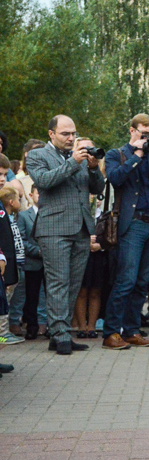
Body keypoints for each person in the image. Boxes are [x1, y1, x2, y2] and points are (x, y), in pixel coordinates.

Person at [24, 115, 105, 355]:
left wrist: (92, 169)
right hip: (53, 229)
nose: (71, 138)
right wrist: (74, 162)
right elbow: (44, 181)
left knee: (73, 283)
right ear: (51, 134)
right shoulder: (38, 155)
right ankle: (59, 335)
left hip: (80, 228)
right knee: (58, 282)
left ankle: (62, 332)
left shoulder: (78, 156)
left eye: (73, 133)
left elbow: (98, 188)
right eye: (65, 134)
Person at [101, 114, 149, 351]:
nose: (148, 139)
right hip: (131, 224)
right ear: (132, 131)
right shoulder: (118, 154)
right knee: (125, 280)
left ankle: (132, 330)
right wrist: (136, 155)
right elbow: (115, 178)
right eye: (144, 134)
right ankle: (111, 333)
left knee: (142, 282)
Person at [15, 184, 43, 340]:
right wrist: (37, 251)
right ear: (31, 195)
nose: (41, 196)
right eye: (38, 193)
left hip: (51, 262)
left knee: (51, 295)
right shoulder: (24, 216)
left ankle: (49, 326)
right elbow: (21, 240)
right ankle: (31, 326)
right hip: (33, 262)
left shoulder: (52, 215)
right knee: (31, 296)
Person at [0, 186, 25, 345]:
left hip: (13, 262)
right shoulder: (3, 216)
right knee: (4, 300)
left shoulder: (10, 217)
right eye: (19, 199)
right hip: (6, 265)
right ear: (11, 201)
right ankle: (2, 332)